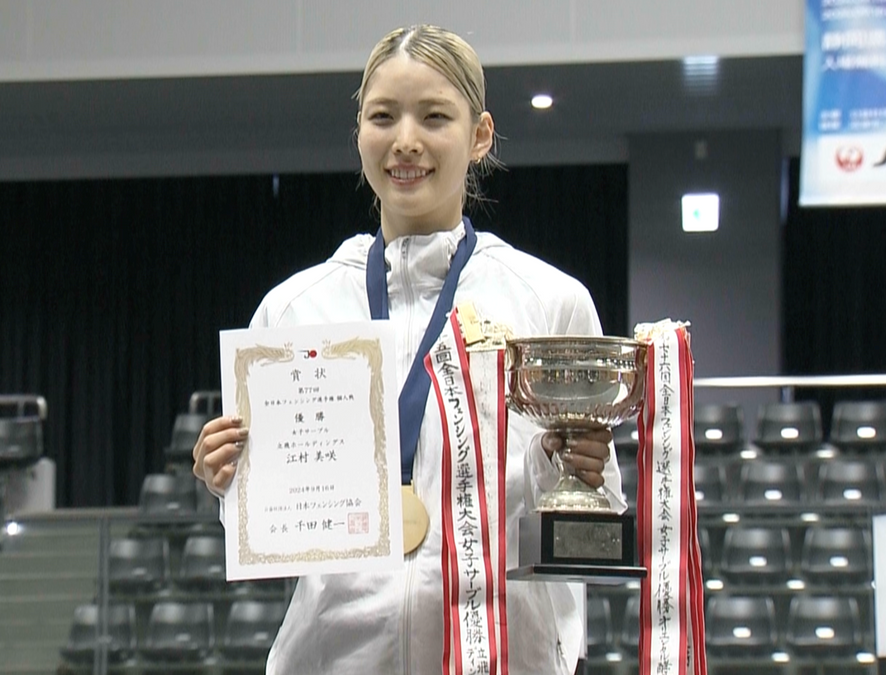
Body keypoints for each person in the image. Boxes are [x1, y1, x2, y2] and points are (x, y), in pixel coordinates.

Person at [192, 24, 626, 675]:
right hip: (335, 657)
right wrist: (230, 482)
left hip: (508, 657)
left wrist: (583, 471)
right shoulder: (294, 311)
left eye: (434, 117)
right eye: (383, 116)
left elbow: (597, 524)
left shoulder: (549, 304)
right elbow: (269, 533)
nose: (405, 141)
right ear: (359, 133)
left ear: (480, 135)